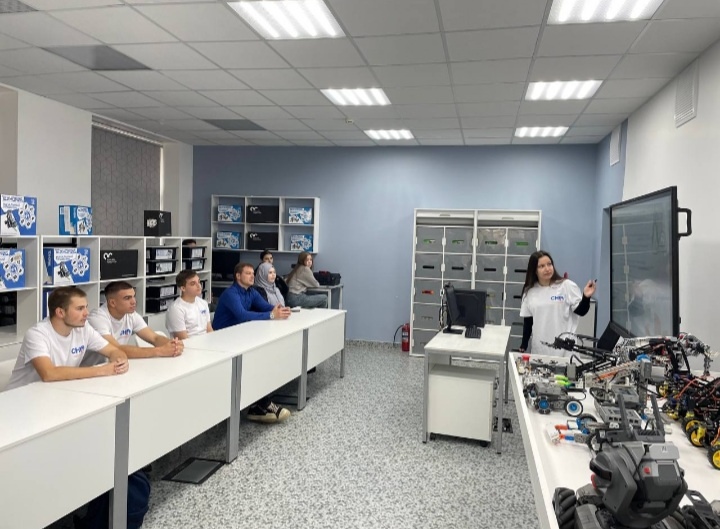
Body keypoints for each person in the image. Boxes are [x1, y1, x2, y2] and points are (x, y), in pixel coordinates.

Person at [4, 286, 128, 390]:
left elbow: (113, 350)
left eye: (86, 307)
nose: (87, 313)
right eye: (80, 308)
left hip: (54, 392)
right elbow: (49, 373)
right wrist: (102, 370)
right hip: (19, 398)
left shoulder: (84, 328)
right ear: (60, 312)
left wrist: (120, 361)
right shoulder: (37, 334)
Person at [213, 262, 292, 422]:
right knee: (255, 362)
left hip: (239, 337)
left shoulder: (252, 292)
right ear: (238, 276)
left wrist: (279, 310)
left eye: (252, 274)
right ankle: (262, 404)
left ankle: (260, 402)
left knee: (261, 359)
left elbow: (265, 307)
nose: (252, 276)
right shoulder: (230, 293)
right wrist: (272, 315)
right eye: (248, 273)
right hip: (222, 341)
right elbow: (242, 315)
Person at [519, 250, 595, 357]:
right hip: (540, 348)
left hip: (565, 349)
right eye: (541, 266)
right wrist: (524, 344)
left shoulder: (566, 286)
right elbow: (528, 322)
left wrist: (586, 297)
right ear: (534, 270)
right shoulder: (529, 292)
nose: (547, 269)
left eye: (549, 264)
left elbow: (581, 311)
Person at [87, 281, 184, 360]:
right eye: (127, 298)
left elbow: (154, 338)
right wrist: (160, 351)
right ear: (112, 303)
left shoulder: (131, 315)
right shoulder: (97, 318)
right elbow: (116, 348)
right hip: (93, 369)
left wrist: (173, 344)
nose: (134, 301)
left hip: (116, 364)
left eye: (134, 296)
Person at [166, 270, 213, 339]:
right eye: (193, 283)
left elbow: (209, 330)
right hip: (189, 343)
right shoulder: (176, 308)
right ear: (183, 288)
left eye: (199, 282)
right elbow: (183, 339)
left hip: (206, 341)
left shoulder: (203, 303)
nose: (198, 286)